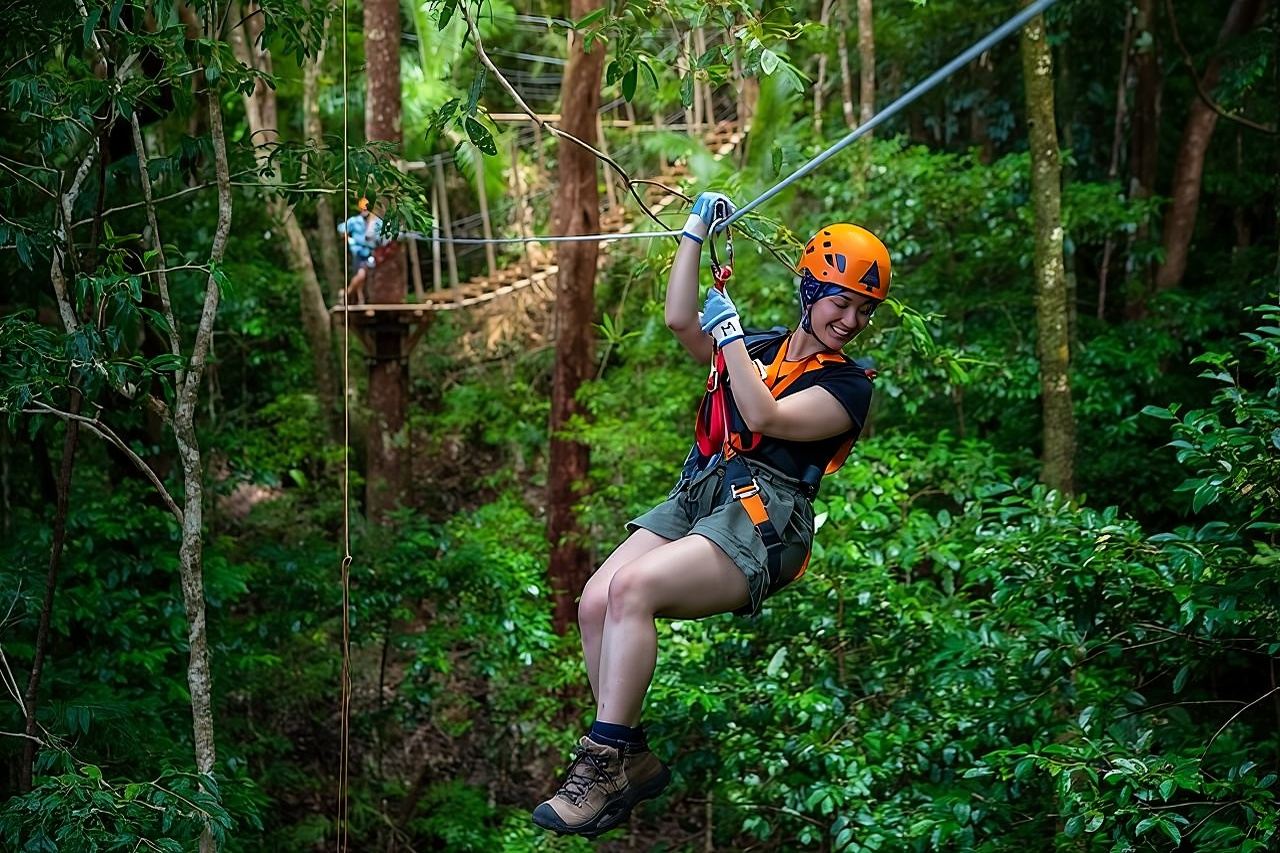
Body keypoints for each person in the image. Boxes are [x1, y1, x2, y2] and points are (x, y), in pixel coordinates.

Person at [531, 192, 891, 837]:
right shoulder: (763, 345)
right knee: (594, 600)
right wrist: (695, 232)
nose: (852, 319)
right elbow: (680, 324)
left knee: (635, 590)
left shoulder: (849, 386)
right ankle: (629, 754)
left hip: (766, 518)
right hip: (706, 491)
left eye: (864, 310)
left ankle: (603, 762)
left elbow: (767, 417)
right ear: (809, 291)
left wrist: (730, 338)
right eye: (841, 301)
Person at [337, 197, 384, 304]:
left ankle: (360, 301)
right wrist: (348, 239)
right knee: (361, 275)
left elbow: (385, 233)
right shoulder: (355, 221)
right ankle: (347, 293)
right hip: (358, 251)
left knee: (363, 278)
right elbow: (341, 229)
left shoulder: (377, 222)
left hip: (372, 252)